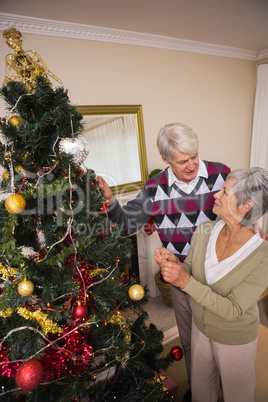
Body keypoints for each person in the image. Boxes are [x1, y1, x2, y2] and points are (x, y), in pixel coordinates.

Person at [97, 122, 231, 401]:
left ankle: (225, 391)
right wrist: (110, 202)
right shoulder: (155, 188)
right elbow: (125, 224)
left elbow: (244, 208)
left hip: (218, 275)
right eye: (183, 161)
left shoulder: (221, 174)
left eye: (194, 156)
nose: (192, 164)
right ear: (166, 160)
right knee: (192, 343)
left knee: (221, 341)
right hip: (181, 278)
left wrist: (256, 225)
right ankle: (201, 392)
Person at [154, 167, 268, 402]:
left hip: (235, 338)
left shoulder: (263, 255)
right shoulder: (205, 230)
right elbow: (190, 271)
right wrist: (175, 264)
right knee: (201, 390)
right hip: (200, 329)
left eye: (225, 192)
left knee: (238, 395)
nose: (216, 195)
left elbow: (233, 309)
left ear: (246, 205)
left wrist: (184, 282)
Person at [2, 27, 62, 92]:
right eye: (9, 39)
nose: (12, 41)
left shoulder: (31, 53)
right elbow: (16, 70)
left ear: (19, 38)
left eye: (15, 37)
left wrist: (52, 76)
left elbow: (44, 68)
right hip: (27, 84)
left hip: (38, 82)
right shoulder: (10, 58)